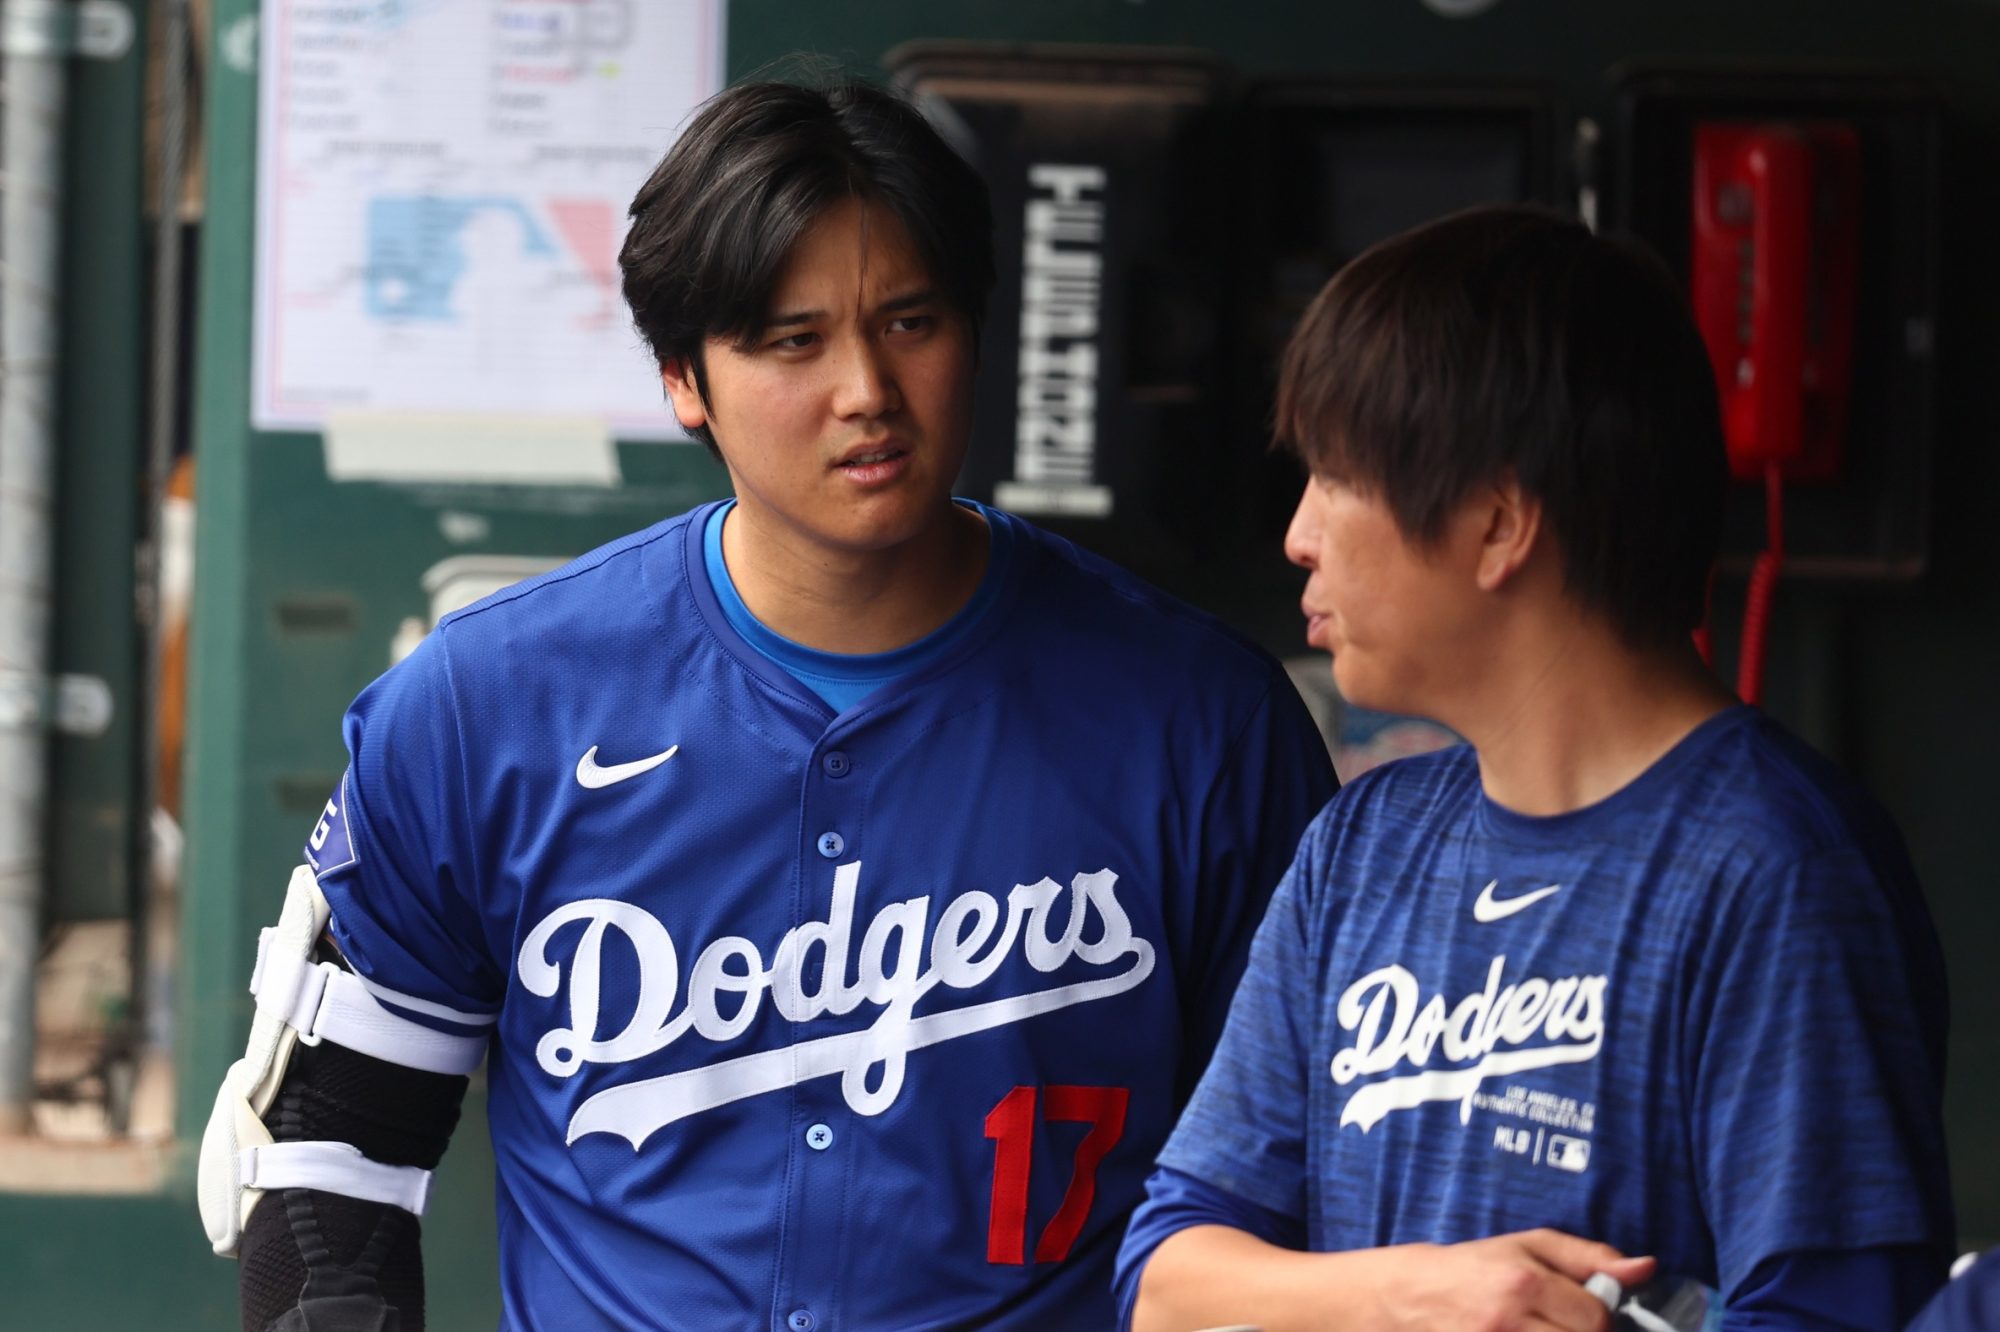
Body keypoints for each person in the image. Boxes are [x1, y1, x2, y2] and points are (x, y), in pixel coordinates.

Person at [197, 77, 1335, 1330]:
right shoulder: (483, 708)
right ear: (686, 379)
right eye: (792, 342)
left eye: (910, 321)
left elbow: (1297, 1199)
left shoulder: (1202, 723)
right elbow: (321, 1160)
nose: (865, 391)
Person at [1116, 205, 1955, 1331]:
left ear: (1499, 523)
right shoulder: (1358, 848)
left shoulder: (1779, 869)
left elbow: (1839, 1311)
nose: (1297, 535)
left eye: (1334, 475)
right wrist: (1412, 1294)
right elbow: (1166, 1281)